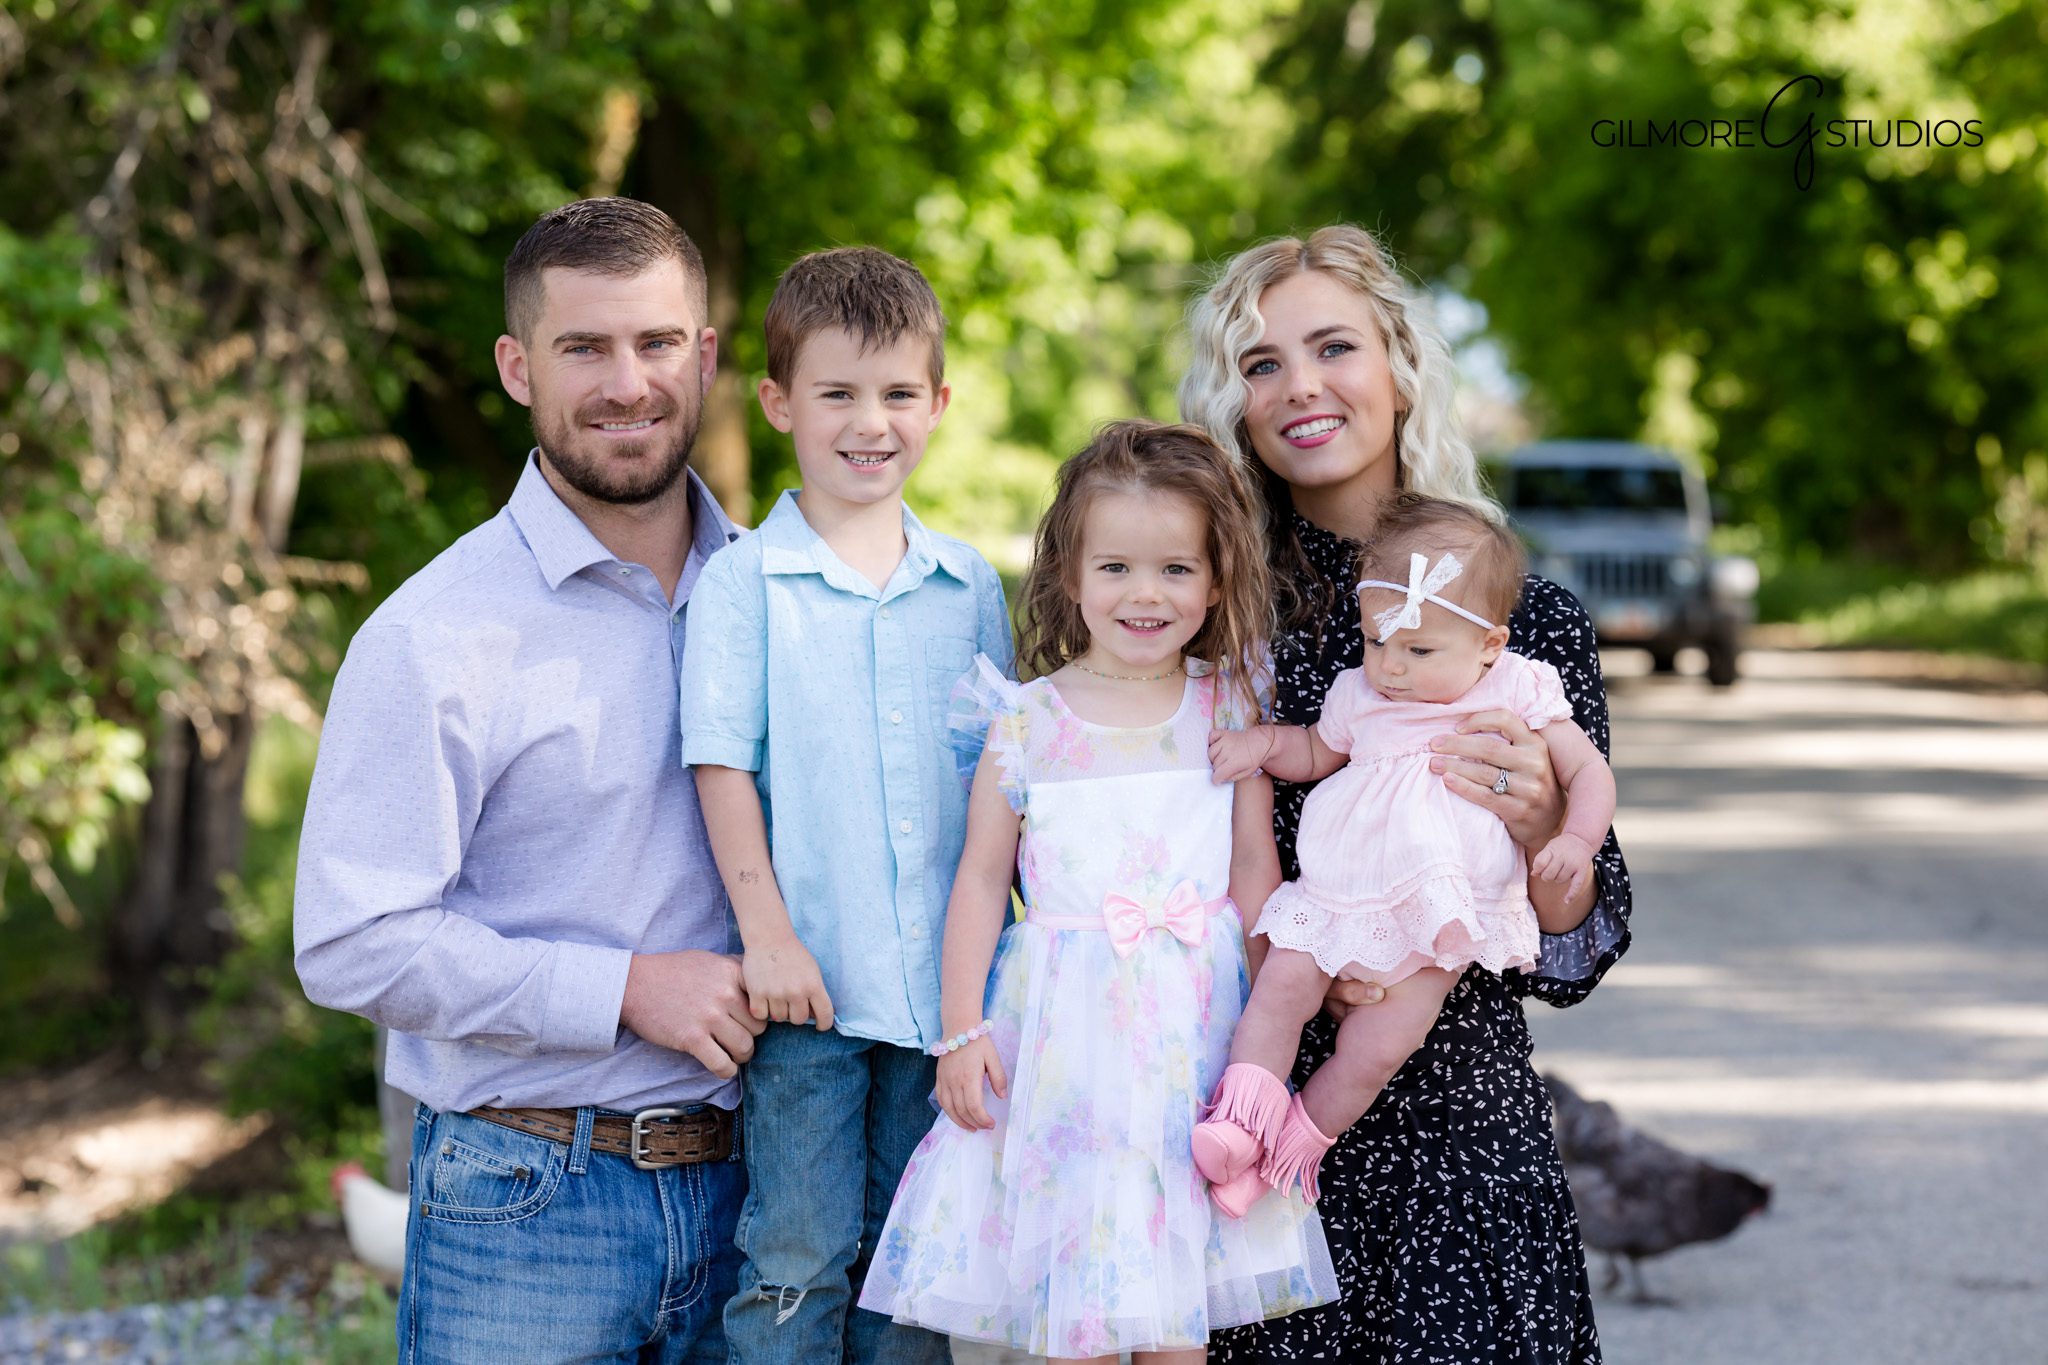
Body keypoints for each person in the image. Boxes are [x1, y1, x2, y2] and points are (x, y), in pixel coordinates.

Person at [294, 197, 763, 1363]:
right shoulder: (433, 635)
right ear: (516, 367)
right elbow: (351, 940)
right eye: (583, 348)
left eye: (657, 343)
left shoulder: (779, 600)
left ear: (703, 356)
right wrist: (620, 989)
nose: (627, 382)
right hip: (526, 1203)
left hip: (765, 1198)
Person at [1179, 224, 1635, 1363]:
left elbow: (1584, 937)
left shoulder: (1521, 621)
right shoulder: (1210, 610)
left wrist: (1543, 834)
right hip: (1255, 1106)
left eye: (1332, 346)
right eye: (1260, 363)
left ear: (1400, 365)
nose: (1301, 387)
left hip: (1459, 1135)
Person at [858, 420, 1337, 1363]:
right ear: (1070, 577)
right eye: (1115, 567)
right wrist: (961, 1032)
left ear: (1215, 578)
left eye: (1175, 569)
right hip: (1063, 1051)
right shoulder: (1026, 720)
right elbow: (981, 881)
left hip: (1194, 1039)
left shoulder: (1228, 704)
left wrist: (1263, 1049)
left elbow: (1253, 875)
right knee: (1073, 1312)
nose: (1145, 594)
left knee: (1175, 1319)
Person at [677, 246, 1014, 1363]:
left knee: (911, 1273)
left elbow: (1004, 787)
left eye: (897, 394)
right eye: (836, 394)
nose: (869, 423)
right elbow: (719, 767)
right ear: (778, 403)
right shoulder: (741, 583)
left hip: (942, 1003)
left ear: (938, 405)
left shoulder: (969, 587)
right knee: (797, 1259)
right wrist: (766, 939)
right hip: (809, 996)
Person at [1195, 497, 1617, 1215]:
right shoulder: (1359, 691)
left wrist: (1574, 839)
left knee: (1375, 1049)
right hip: (1334, 896)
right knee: (1278, 995)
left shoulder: (1516, 684)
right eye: (1375, 641)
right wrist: (1264, 744)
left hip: (1437, 920)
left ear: (1490, 644)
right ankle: (1240, 1123)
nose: (1390, 666)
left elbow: (1590, 773)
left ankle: (1286, 1154)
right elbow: (1315, 752)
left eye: (1419, 651)